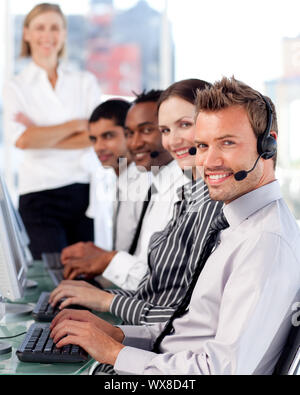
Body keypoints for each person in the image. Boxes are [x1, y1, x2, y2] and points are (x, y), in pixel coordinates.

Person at [50, 77, 300, 375]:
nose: (209, 160)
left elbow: (222, 370)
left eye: (227, 143)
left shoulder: (264, 242)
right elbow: (189, 331)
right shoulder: (234, 225)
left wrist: (115, 353)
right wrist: (119, 335)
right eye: (203, 146)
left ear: (267, 145)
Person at [49, 78, 222, 327]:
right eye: (165, 130)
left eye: (146, 130)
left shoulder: (193, 193)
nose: (135, 143)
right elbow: (159, 287)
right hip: (150, 321)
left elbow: (168, 296)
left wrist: (106, 277)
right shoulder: (169, 188)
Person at [59, 90, 186, 291]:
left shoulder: (153, 183)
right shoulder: (131, 181)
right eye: (93, 139)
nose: (99, 147)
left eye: (108, 136)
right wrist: (101, 260)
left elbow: (158, 278)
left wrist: (106, 260)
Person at [2, 3, 101, 260]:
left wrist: (40, 133)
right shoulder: (15, 86)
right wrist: (78, 124)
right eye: (40, 27)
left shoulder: (84, 81)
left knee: (83, 277)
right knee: (51, 276)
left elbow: (96, 135)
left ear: (64, 34)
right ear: (26, 33)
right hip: (39, 194)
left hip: (82, 191)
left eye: (55, 27)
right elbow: (23, 140)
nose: (48, 35)